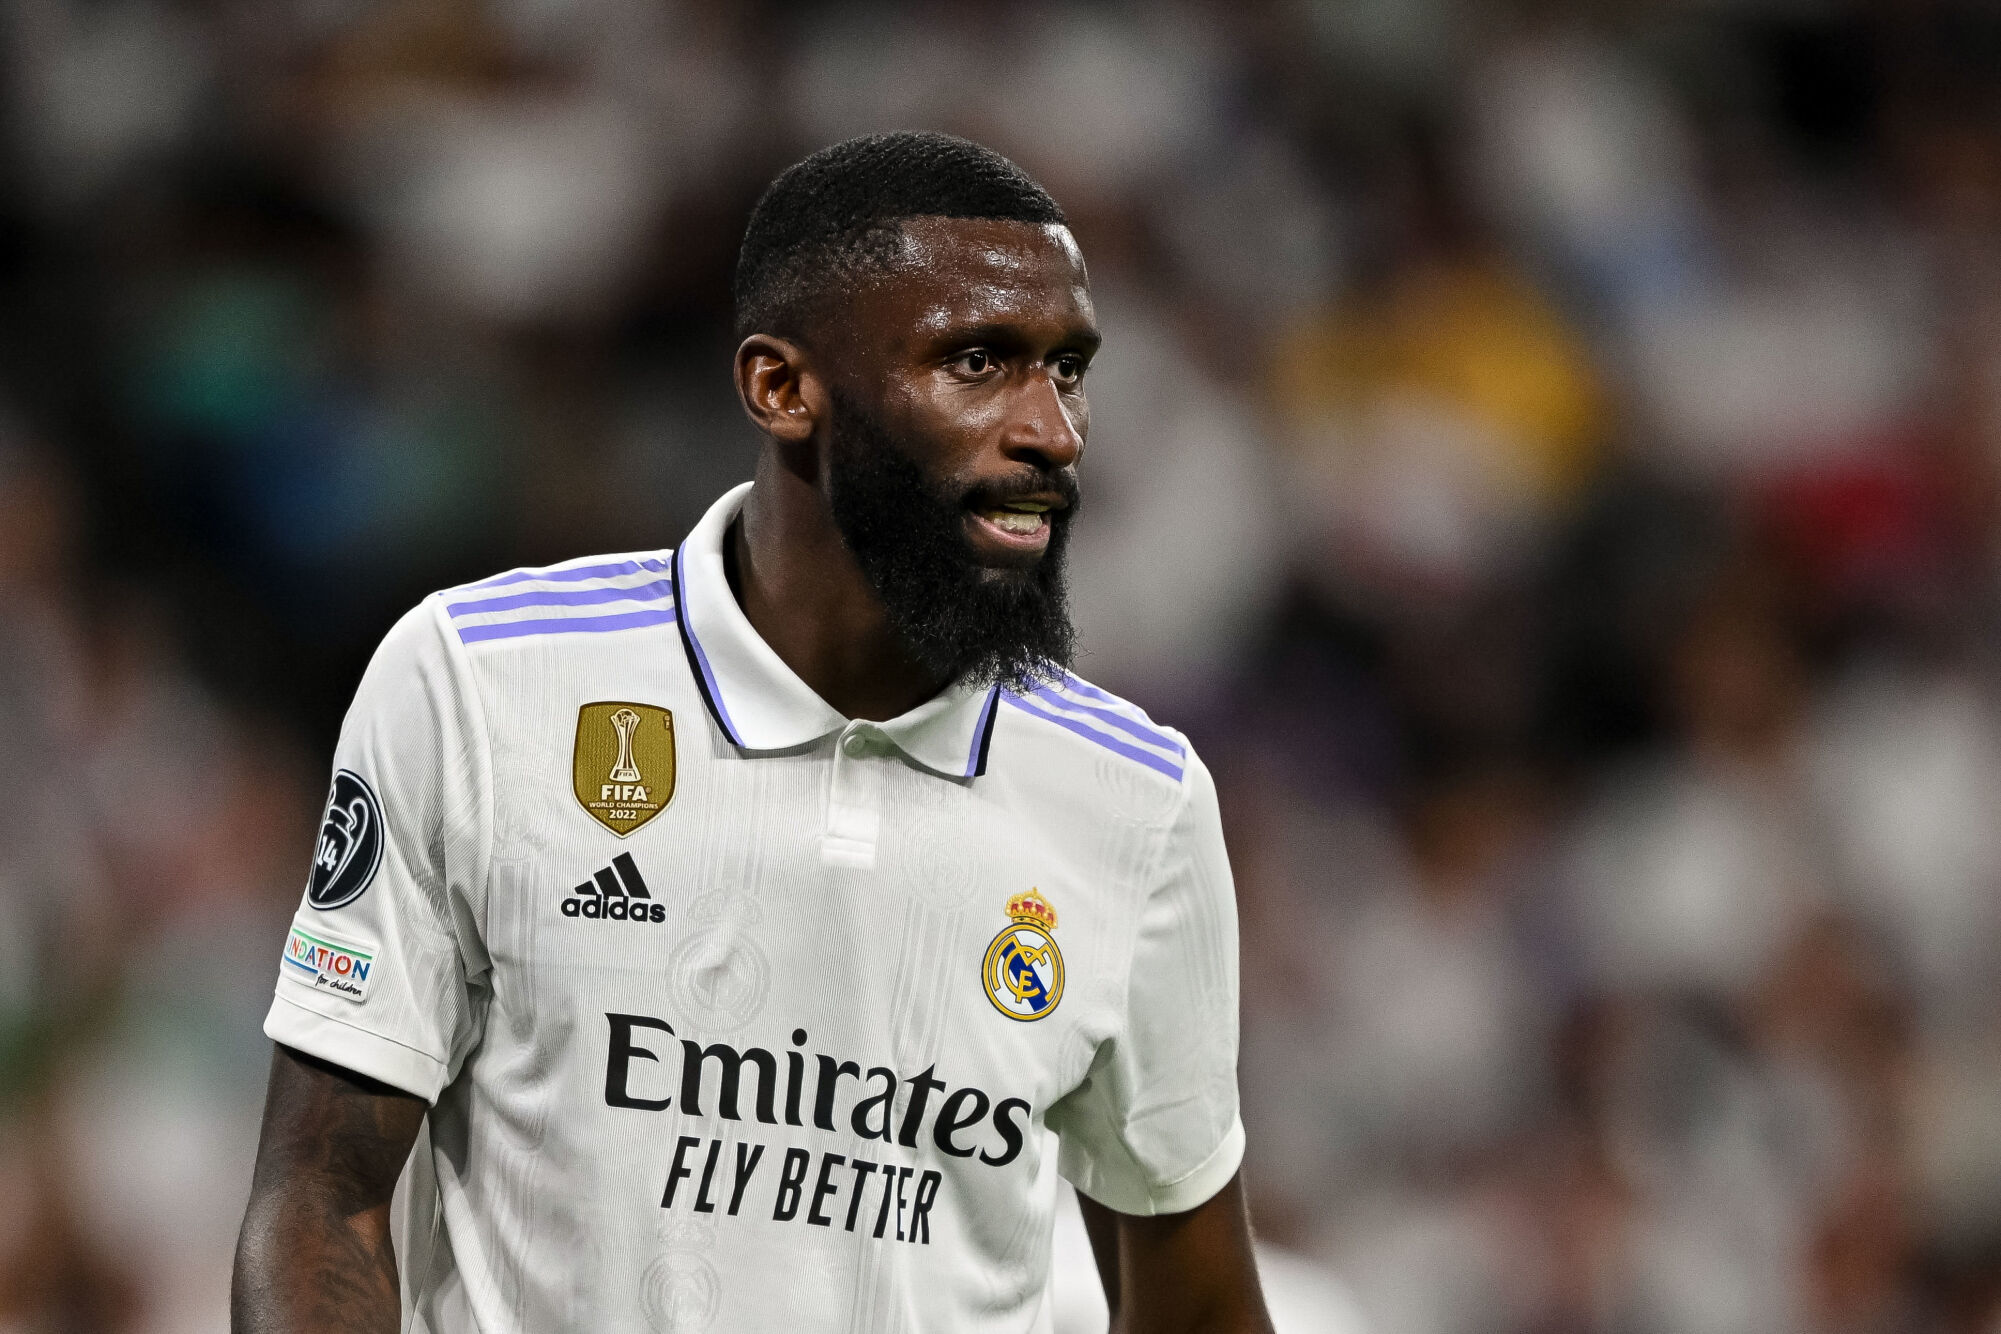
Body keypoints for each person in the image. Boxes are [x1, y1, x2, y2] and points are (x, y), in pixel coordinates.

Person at [232, 131, 1271, 1334]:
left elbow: (1200, 1308)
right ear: (783, 388)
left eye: (1069, 370)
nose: (1054, 428)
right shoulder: (479, 682)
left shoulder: (1137, 802)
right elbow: (322, 1195)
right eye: (978, 361)